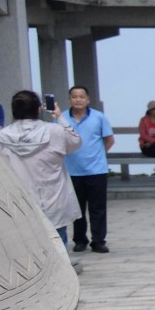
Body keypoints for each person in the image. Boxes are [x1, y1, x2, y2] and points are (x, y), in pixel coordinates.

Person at [0, 90, 81, 245]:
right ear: (38, 109)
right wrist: (59, 116)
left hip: (22, 203)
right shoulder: (54, 131)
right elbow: (76, 142)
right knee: (59, 246)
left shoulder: (2, 136)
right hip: (55, 200)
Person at [62, 85, 113, 254]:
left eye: (81, 96)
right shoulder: (62, 118)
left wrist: (99, 155)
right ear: (70, 99)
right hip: (72, 170)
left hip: (96, 170)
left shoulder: (99, 117)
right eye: (74, 96)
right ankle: (80, 240)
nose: (78, 99)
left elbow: (109, 139)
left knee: (97, 208)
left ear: (88, 99)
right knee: (77, 209)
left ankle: (98, 241)